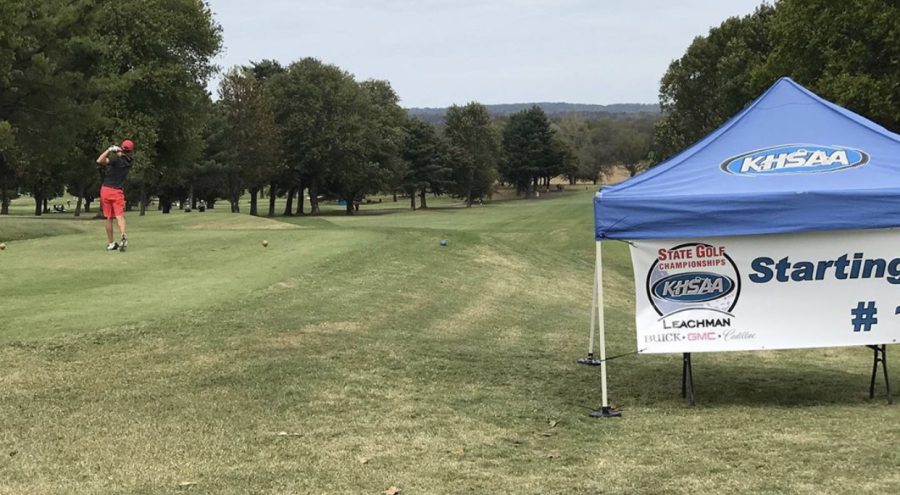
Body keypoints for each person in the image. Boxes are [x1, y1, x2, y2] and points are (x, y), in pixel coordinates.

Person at [96, 139, 134, 251]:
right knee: (119, 216)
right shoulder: (130, 161)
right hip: (117, 191)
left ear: (121, 147)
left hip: (106, 189)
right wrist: (118, 152)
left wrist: (109, 150)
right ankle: (123, 235)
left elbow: (99, 160)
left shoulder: (115, 159)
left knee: (108, 217)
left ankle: (111, 243)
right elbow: (123, 156)